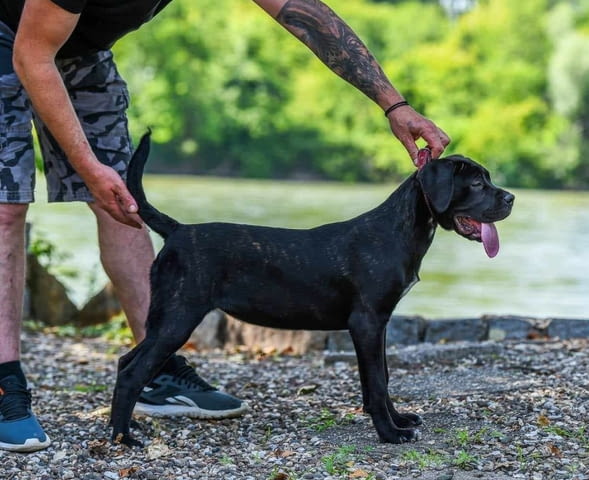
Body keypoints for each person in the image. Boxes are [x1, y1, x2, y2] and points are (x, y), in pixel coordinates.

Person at [0, 0, 450, 453]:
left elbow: (302, 11)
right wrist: (87, 168)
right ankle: (4, 385)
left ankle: (156, 368)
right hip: (11, 38)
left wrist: (393, 104)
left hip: (84, 50)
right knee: (6, 206)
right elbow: (31, 54)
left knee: (125, 204)